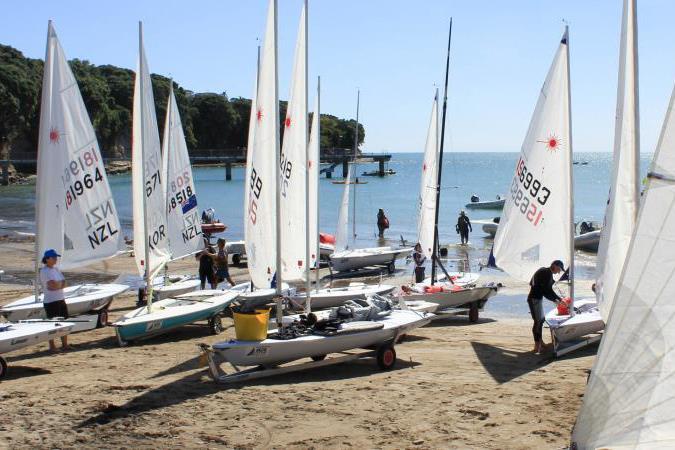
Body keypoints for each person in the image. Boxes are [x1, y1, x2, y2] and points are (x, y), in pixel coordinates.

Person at [527, 260, 564, 354]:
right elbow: (546, 291)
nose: (559, 271)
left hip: (537, 299)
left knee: (541, 320)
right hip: (534, 299)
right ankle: (537, 346)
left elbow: (548, 290)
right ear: (554, 265)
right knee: (538, 321)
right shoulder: (545, 272)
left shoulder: (547, 272)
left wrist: (558, 299)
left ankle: (541, 343)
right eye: (559, 269)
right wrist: (556, 300)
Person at [39, 249, 69, 352]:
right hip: (51, 301)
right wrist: (59, 284)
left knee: (64, 322)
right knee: (52, 324)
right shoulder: (44, 271)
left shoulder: (56, 269)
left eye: (56, 257)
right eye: (54, 257)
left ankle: (65, 345)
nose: (56, 259)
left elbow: (65, 283)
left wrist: (59, 285)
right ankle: (52, 346)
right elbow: (52, 286)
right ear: (47, 259)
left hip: (60, 299)